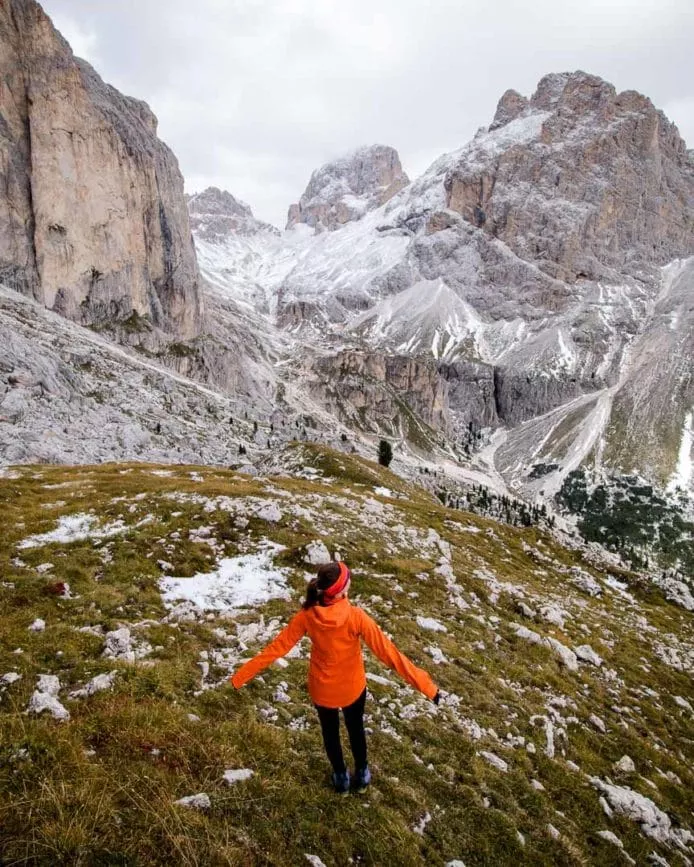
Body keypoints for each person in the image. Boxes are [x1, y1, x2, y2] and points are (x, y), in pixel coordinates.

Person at [230, 560, 440, 793]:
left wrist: (240, 676)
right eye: (348, 579)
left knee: (330, 733)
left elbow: (276, 648)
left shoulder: (307, 614)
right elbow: (390, 654)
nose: (351, 580)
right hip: (352, 687)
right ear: (341, 590)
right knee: (356, 729)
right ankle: (362, 775)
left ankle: (341, 779)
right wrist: (428, 687)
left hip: (322, 690)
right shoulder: (356, 616)